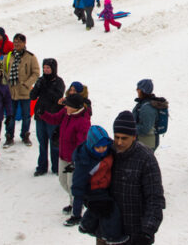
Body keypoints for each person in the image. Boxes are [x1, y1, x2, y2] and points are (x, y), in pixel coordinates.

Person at [107, 111, 165, 244]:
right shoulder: (108, 153)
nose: (119, 142)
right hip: (108, 230)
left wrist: (147, 231)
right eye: (116, 137)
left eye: (124, 138)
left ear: (134, 137)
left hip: (135, 233)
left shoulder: (146, 158)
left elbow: (155, 198)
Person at [72, 126, 128, 244]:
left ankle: (86, 224)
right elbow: (78, 185)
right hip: (93, 190)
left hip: (104, 187)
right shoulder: (85, 161)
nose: (102, 149)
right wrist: (76, 212)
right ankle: (111, 236)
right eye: (98, 147)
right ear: (91, 145)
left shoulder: (110, 150)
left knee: (98, 209)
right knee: (111, 209)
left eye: (104, 146)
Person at [42, 93, 91, 220]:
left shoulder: (83, 122)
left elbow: (82, 144)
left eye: (68, 105)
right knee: (63, 182)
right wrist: (43, 113)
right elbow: (54, 119)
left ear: (75, 107)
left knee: (72, 185)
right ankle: (73, 203)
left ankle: (76, 212)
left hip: (73, 160)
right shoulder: (66, 113)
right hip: (63, 155)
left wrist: (75, 161)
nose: (65, 107)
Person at [1, 33, 39, 147]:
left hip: (25, 92)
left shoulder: (30, 57)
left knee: (26, 115)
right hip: (11, 92)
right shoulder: (8, 57)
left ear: (24, 43)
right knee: (10, 116)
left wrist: (27, 84)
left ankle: (25, 135)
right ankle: (9, 136)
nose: (16, 44)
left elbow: (36, 72)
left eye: (19, 41)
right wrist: (4, 85)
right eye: (15, 42)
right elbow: (3, 72)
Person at [31, 58, 66, 176]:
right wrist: (37, 86)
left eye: (48, 68)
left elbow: (57, 97)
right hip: (40, 115)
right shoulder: (41, 80)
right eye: (44, 68)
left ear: (53, 69)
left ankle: (56, 167)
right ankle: (41, 167)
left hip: (53, 116)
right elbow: (32, 96)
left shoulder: (59, 82)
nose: (46, 70)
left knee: (54, 142)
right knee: (42, 142)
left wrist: (46, 88)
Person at [133, 79, 168, 151]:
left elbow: (145, 128)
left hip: (146, 143)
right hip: (146, 142)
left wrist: (130, 128)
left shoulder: (147, 108)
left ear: (143, 90)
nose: (136, 90)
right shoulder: (144, 104)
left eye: (138, 88)